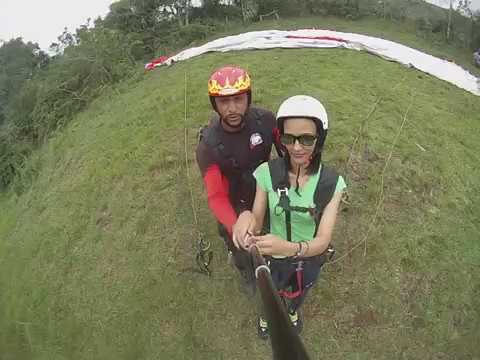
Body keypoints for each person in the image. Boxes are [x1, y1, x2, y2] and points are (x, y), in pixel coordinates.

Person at [232, 95, 346, 339]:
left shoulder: (332, 184)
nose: (296, 148)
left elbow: (324, 239)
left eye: (306, 139)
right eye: (288, 138)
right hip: (271, 258)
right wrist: (245, 219)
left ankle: (292, 311)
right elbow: (257, 217)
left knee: (298, 293)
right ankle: (266, 316)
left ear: (320, 139)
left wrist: (289, 247)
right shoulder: (267, 173)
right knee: (269, 294)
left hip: (307, 258)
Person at [196, 65, 279, 293]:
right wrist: (235, 226)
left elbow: (288, 155)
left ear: (248, 97)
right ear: (215, 104)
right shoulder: (208, 146)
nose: (232, 108)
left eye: (238, 99)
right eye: (223, 102)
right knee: (239, 243)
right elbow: (216, 196)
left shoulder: (266, 122)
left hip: (264, 188)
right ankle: (246, 272)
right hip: (233, 198)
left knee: (274, 230)